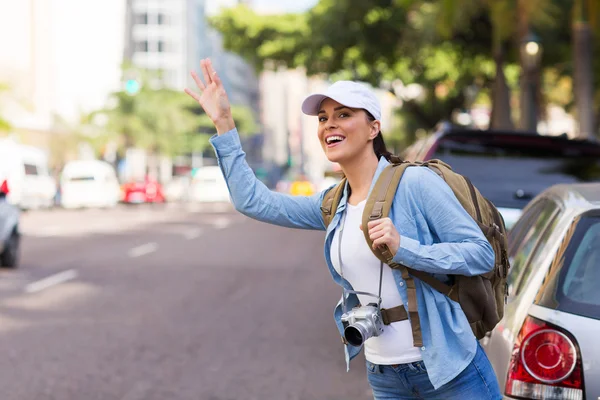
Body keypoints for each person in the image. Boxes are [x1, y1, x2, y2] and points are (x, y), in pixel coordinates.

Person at [184, 58, 502, 400]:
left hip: (448, 370)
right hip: (385, 375)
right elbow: (253, 201)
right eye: (323, 118)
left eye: (343, 114)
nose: (328, 125)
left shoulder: (415, 183)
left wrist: (405, 247)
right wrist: (224, 124)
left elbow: (480, 254)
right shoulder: (333, 204)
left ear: (373, 128)